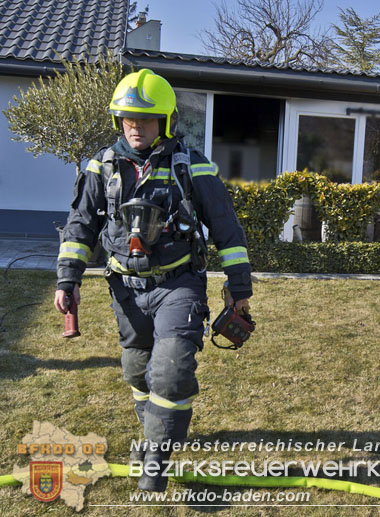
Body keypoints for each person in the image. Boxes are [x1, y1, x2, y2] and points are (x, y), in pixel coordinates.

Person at [53, 69, 253, 491]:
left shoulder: (192, 168)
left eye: (145, 119)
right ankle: (152, 436)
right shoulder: (101, 167)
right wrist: (67, 279)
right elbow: (80, 225)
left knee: (172, 370)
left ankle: (157, 459)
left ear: (166, 121)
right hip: (126, 289)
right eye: (127, 118)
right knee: (137, 370)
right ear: (117, 120)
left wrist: (239, 289)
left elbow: (227, 231)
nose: (135, 127)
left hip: (178, 284)